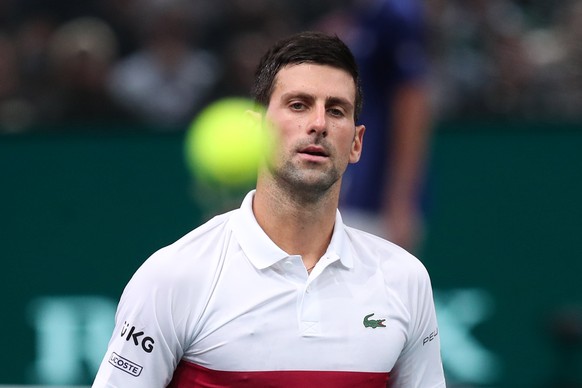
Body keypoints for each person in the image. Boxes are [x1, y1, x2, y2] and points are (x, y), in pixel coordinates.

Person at [92, 31, 445, 387]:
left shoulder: (405, 280)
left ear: (356, 143)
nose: (319, 124)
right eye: (298, 105)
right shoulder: (173, 277)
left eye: (336, 110)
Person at [317, 0, 433, 252]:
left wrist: (402, 199)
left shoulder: (397, 16)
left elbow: (412, 105)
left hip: (376, 203)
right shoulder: (356, 17)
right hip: (349, 192)